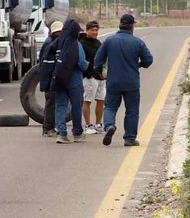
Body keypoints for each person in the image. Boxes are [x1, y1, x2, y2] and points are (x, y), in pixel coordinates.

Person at [94, 14, 153, 147]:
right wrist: (138, 64)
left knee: (110, 107)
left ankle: (109, 126)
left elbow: (98, 61)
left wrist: (99, 72)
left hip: (113, 81)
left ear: (120, 24)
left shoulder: (109, 41)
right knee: (132, 110)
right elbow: (148, 60)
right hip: (131, 82)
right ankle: (130, 138)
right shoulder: (138, 42)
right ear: (132, 26)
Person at [52, 20, 89, 144]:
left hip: (59, 79)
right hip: (74, 80)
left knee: (60, 106)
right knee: (76, 107)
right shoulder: (76, 44)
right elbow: (81, 64)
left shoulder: (56, 43)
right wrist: (88, 65)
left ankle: (61, 134)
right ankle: (77, 133)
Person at [38, 21, 63, 137]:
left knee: (54, 103)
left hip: (51, 79)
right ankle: (48, 128)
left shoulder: (53, 42)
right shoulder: (50, 44)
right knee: (51, 103)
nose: (59, 34)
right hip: (49, 79)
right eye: (57, 32)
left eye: (60, 32)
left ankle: (51, 126)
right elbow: (48, 65)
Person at [79, 21, 104, 134]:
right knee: (87, 100)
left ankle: (98, 125)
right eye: (92, 30)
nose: (95, 32)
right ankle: (88, 125)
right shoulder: (82, 43)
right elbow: (81, 61)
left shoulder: (98, 43)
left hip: (101, 77)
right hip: (89, 78)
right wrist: (88, 74)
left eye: (96, 30)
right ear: (87, 30)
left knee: (101, 100)